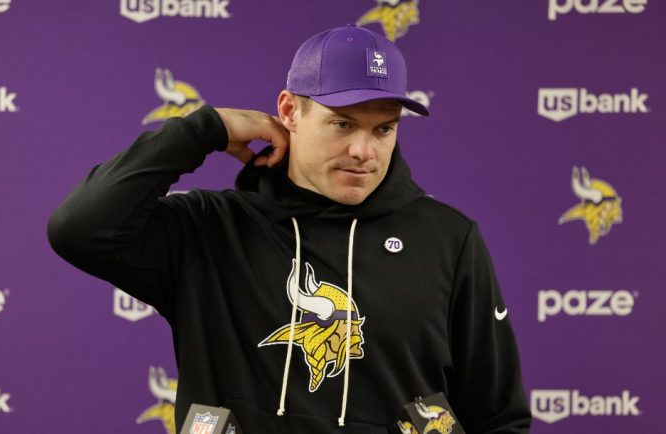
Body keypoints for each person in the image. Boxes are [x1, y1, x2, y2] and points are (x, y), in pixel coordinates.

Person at [48, 24, 531, 433]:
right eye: (342, 124)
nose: (365, 150)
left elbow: (498, 416)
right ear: (289, 111)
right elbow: (79, 227)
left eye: (383, 128)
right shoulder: (212, 229)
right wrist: (205, 129)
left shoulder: (448, 239)